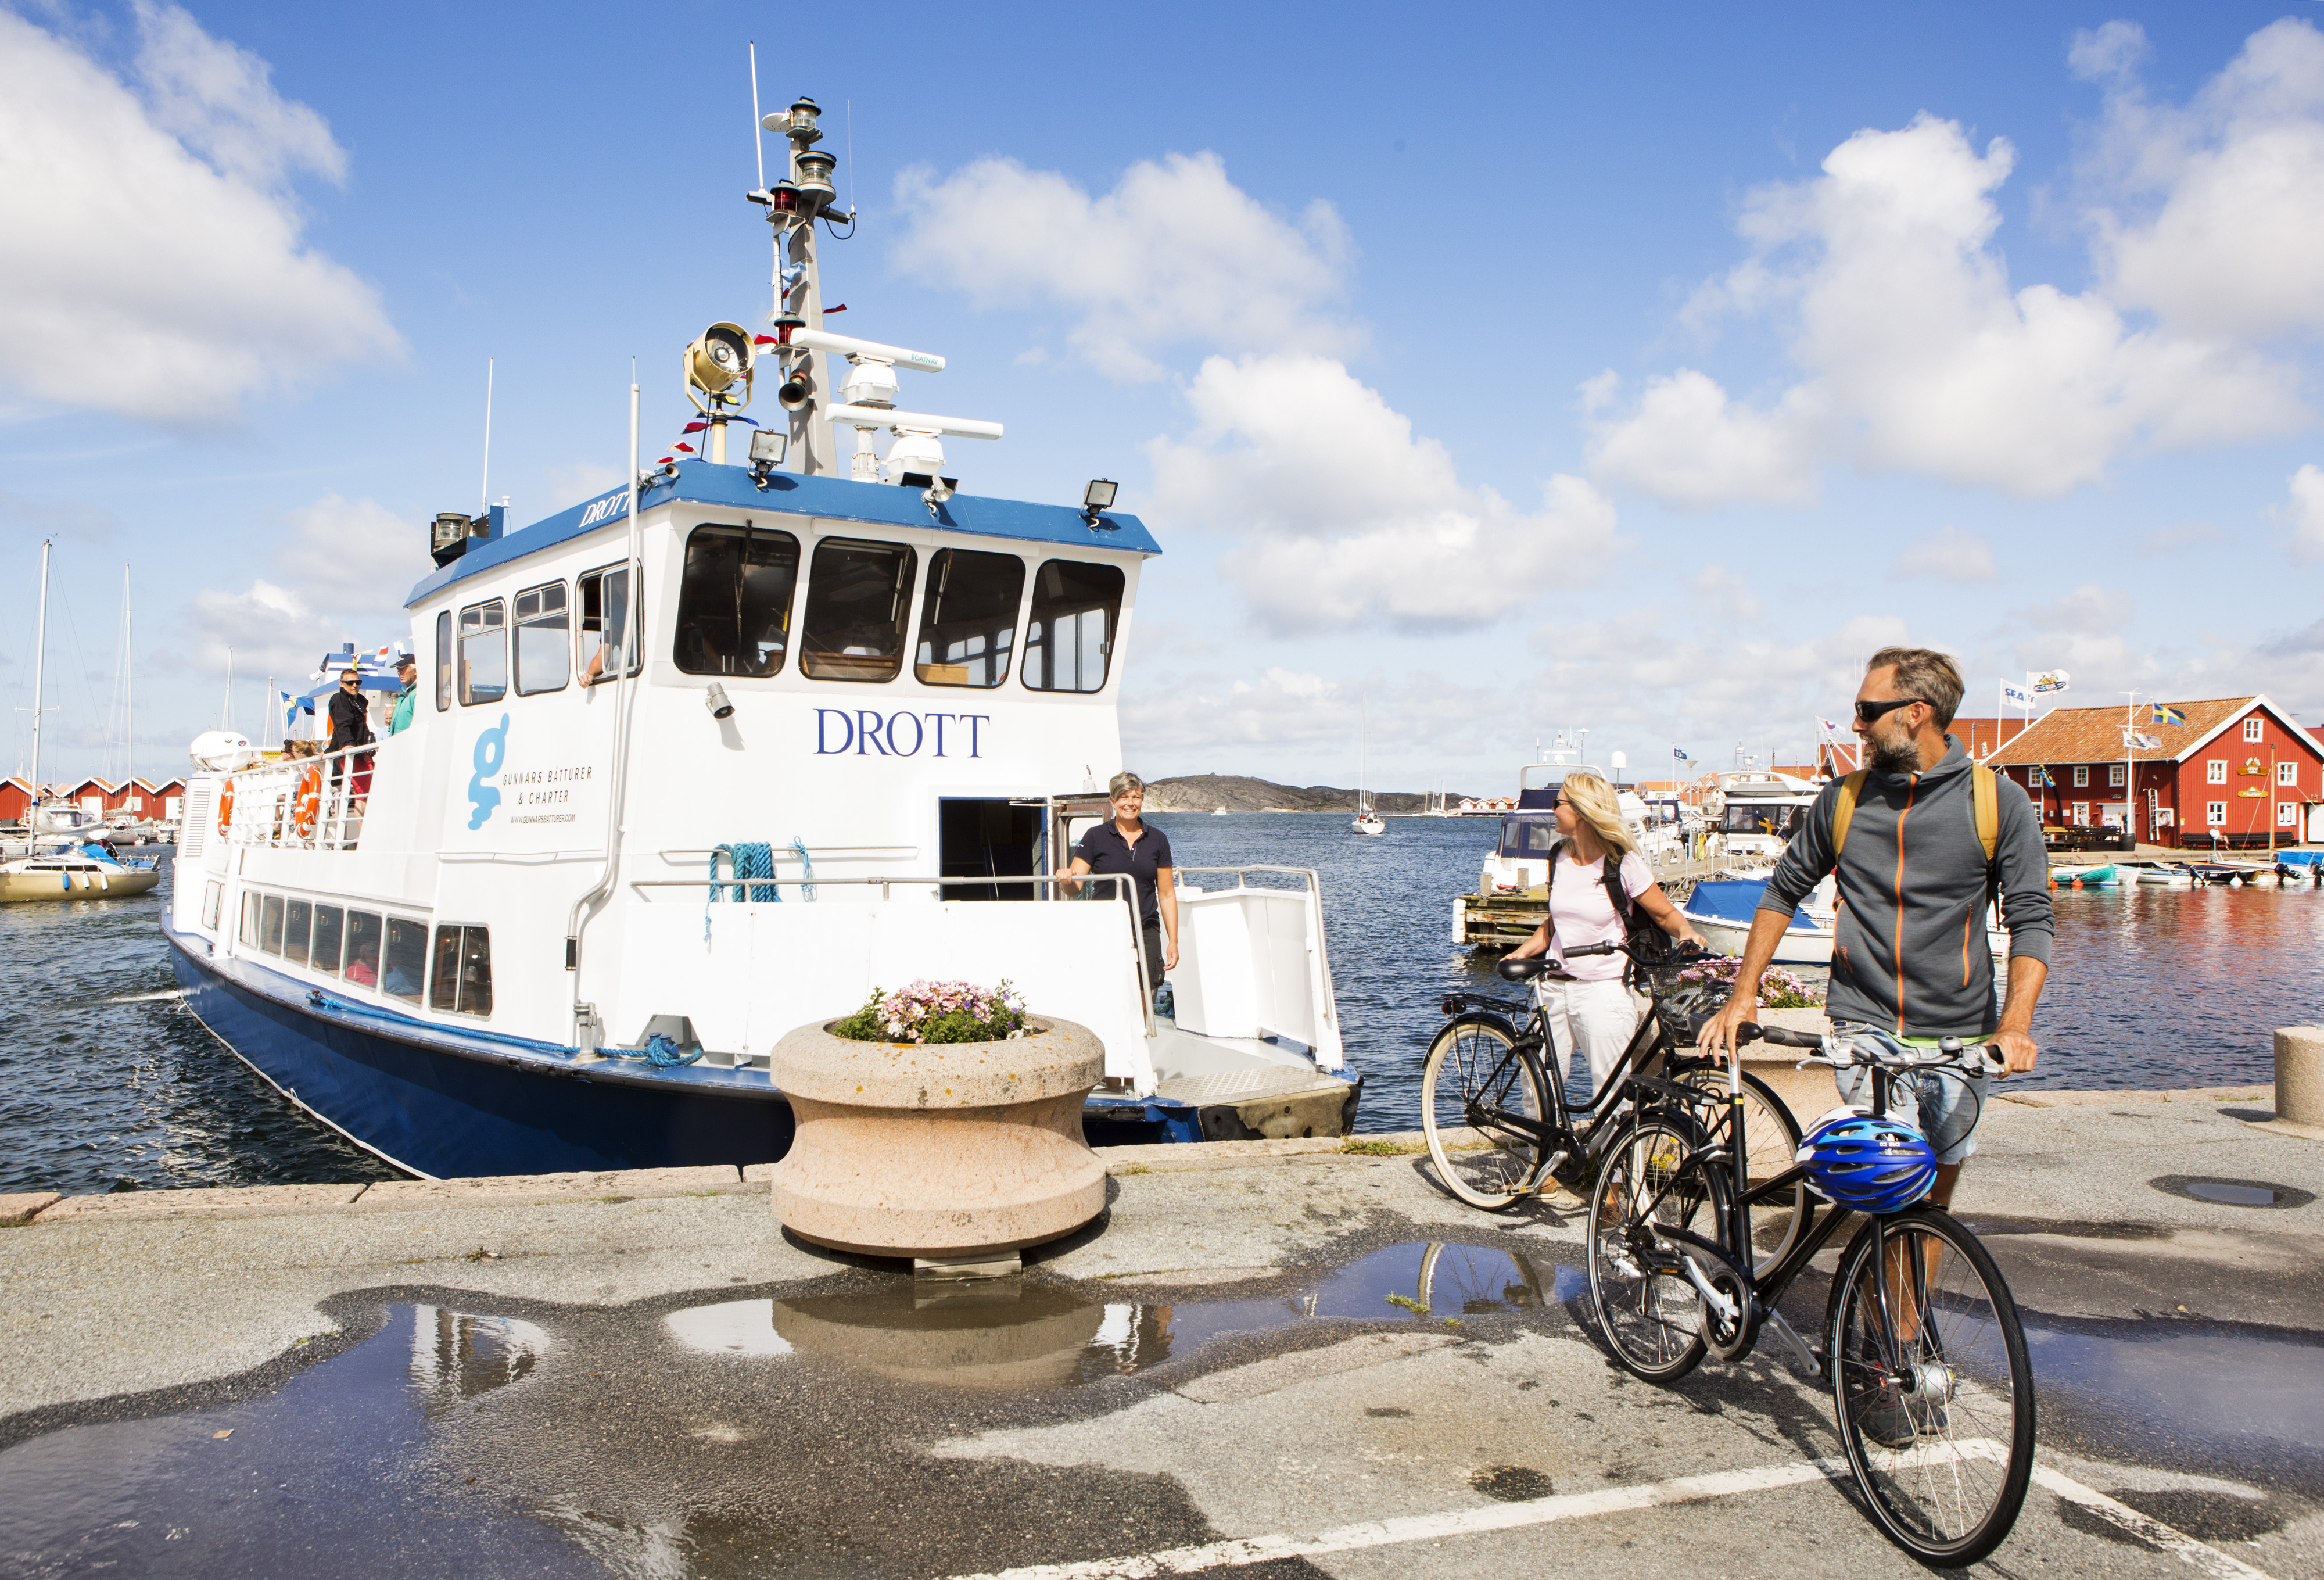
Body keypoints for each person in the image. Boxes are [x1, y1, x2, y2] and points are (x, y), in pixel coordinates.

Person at [1698, 646, 2054, 1210]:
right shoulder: (1843, 800)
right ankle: (1888, 1295)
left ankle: (1895, 1295)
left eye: (1867, 709)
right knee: (1893, 1190)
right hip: (1866, 1026)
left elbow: (2031, 917)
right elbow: (1781, 893)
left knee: (1934, 1203)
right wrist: (1743, 996)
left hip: (1961, 1034)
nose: (1856, 724)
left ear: (1916, 712)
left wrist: (2014, 1026)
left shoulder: (1997, 803)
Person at [1502, 771, 1705, 1096]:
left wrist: (1686, 932)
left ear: (1581, 811)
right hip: (1552, 987)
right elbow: (1556, 922)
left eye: (1558, 803)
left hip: (1602, 992)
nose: (1553, 809)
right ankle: (1542, 1149)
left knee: (1613, 1091)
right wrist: (1523, 952)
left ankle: (1615, 1147)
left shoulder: (1623, 864)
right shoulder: (1559, 857)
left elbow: (1664, 913)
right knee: (1537, 1088)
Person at [1063, 772, 1179, 999]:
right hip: (1105, 926)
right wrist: (1067, 879)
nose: (1130, 804)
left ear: (1142, 800)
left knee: (1147, 993)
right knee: (1108, 990)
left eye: (1135, 797)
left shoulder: (1158, 840)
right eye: (1124, 798)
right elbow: (1074, 888)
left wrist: (1173, 942)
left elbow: (1166, 895)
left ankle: (1139, 1035)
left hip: (1146, 927)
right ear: (1113, 801)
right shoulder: (1095, 836)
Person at [388, 654, 418, 736]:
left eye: (403, 669)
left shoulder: (417, 693)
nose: (399, 672)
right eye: (398, 669)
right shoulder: (406, 694)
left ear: (416, 671)